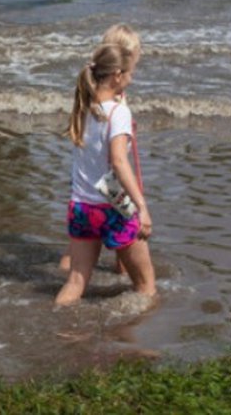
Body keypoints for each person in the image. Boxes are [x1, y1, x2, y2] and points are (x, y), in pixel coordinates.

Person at [55, 43, 156, 306]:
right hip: (113, 202)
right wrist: (142, 207)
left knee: (75, 283)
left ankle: (56, 321)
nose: (132, 78)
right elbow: (119, 162)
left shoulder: (83, 107)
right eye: (130, 73)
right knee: (146, 287)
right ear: (117, 76)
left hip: (80, 205)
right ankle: (132, 331)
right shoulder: (118, 112)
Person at [59, 24, 142, 274]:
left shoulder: (89, 96)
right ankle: (123, 274)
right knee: (129, 238)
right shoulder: (117, 106)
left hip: (84, 191)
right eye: (134, 61)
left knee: (78, 255)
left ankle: (68, 273)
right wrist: (141, 204)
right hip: (109, 191)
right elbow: (118, 159)